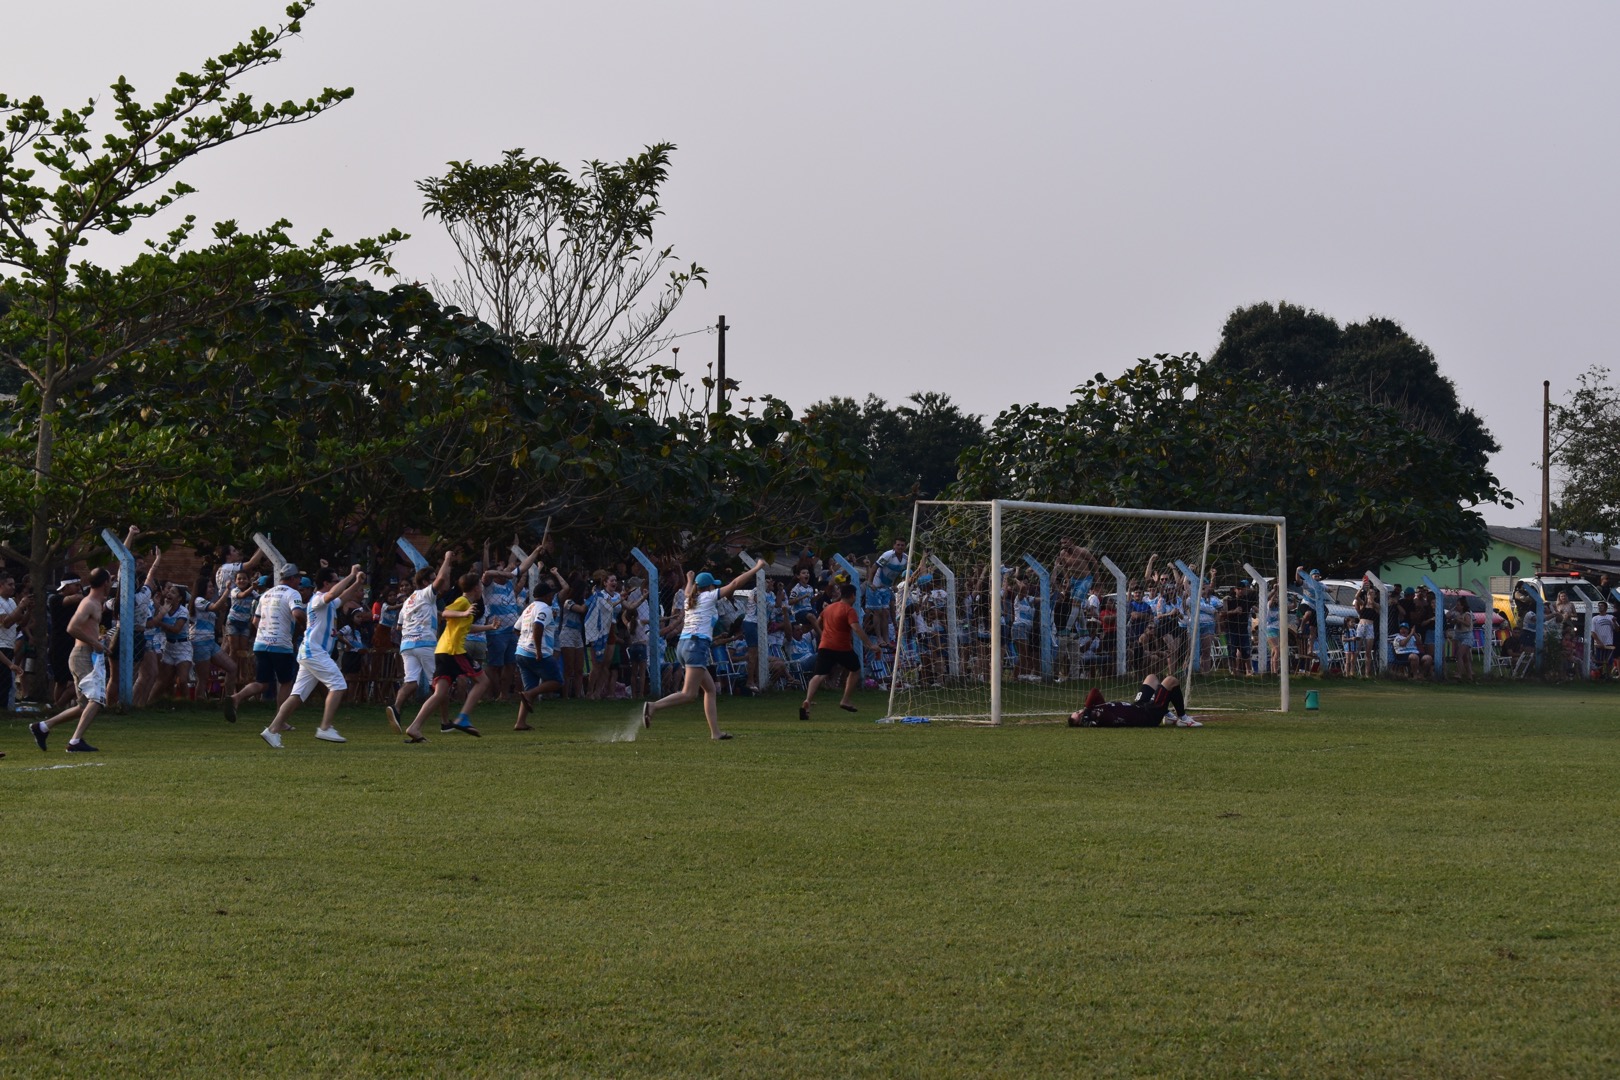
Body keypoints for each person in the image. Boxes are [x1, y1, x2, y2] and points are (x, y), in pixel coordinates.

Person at [641, 565, 760, 740]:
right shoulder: (707, 597)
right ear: (709, 587)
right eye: (714, 585)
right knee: (689, 694)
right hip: (695, 646)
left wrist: (689, 579)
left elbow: (688, 589)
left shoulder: (691, 598)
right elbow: (735, 583)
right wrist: (756, 568)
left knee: (710, 690)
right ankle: (653, 707)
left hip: (685, 646)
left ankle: (715, 733)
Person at [259, 565, 364, 748]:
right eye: (335, 581)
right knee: (338, 685)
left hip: (311, 653)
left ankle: (272, 730)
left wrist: (357, 583)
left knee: (297, 695)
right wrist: (351, 575)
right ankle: (325, 727)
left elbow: (342, 597)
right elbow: (332, 595)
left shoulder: (328, 603)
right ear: (326, 583)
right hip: (314, 652)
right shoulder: (317, 599)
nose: (338, 584)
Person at [30, 569, 114, 752]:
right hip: (82, 655)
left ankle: (42, 727)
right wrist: (94, 643)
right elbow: (72, 627)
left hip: (86, 654)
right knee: (97, 699)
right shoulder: (89, 603)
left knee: (83, 705)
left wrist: (98, 640)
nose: (111, 584)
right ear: (105, 583)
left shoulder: (94, 603)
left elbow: (86, 630)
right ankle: (75, 742)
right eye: (110, 580)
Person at [401, 571, 489, 742]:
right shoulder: (463, 602)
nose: (482, 589)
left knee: (440, 693)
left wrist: (489, 628)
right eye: (481, 586)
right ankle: (463, 718)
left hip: (442, 650)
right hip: (453, 651)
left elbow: (465, 628)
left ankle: (414, 727)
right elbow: (447, 612)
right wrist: (463, 614)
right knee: (483, 681)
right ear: (476, 588)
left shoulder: (467, 604)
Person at [224, 562, 307, 722]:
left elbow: (255, 621)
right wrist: (306, 626)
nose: (300, 582)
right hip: (281, 645)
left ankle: (236, 697)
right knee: (285, 682)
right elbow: (297, 614)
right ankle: (280, 720)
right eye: (298, 578)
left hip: (261, 643)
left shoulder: (266, 595)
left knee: (262, 683)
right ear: (292, 578)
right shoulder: (293, 593)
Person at [386, 550, 454, 734]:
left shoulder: (408, 600)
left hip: (407, 645)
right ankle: (445, 722)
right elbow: (441, 582)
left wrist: (433, 615)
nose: (436, 581)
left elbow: (400, 626)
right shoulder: (426, 594)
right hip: (425, 643)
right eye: (431, 578)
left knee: (411, 682)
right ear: (425, 582)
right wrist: (447, 559)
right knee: (441, 684)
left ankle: (396, 708)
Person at [799, 581, 878, 719]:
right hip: (842, 647)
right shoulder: (849, 610)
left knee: (819, 675)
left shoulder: (828, 608)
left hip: (825, 646)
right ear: (853, 596)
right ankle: (845, 699)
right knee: (855, 669)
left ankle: (808, 700)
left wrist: (824, 634)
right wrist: (870, 644)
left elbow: (817, 624)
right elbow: (856, 628)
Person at [512, 573, 567, 731]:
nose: (553, 597)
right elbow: (538, 626)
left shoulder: (529, 608)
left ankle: (520, 722)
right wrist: (537, 649)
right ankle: (529, 695)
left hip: (521, 651)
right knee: (557, 681)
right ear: (546, 595)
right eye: (551, 594)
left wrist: (525, 639)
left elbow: (516, 628)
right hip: (536, 652)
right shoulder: (545, 608)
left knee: (530, 689)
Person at [1067, 672, 1201, 727]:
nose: (1080, 711)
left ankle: (1167, 715)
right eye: (1079, 715)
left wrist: (1086, 710)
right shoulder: (1100, 717)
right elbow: (1094, 692)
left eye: (1077, 711)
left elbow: (1095, 695)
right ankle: (1183, 718)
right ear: (1084, 720)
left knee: (1151, 678)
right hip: (1149, 715)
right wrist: (1087, 711)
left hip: (1139, 706)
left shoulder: (1096, 711)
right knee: (1171, 681)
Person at [1590, 601, 1615, 676]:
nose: (1600, 607)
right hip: (1599, 643)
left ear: (1606, 608)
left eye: (1602, 606)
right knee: (1599, 660)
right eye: (1599, 606)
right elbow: (1592, 632)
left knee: (1609, 661)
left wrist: (1615, 621)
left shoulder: (1610, 617)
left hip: (1609, 642)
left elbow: (1616, 629)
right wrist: (1598, 641)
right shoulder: (1595, 618)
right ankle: (1599, 675)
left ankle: (1608, 675)